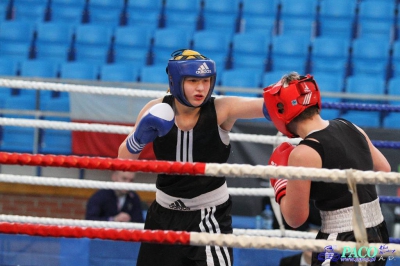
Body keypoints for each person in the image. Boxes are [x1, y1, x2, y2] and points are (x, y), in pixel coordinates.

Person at [118, 49, 266, 266]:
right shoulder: (155, 109)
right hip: (163, 215)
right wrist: (138, 139)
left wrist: (285, 97)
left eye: (206, 80)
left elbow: (268, 107)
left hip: (210, 215)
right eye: (193, 80)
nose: (201, 88)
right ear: (176, 80)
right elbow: (124, 164)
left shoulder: (221, 109)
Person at [264, 72, 391, 265]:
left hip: (341, 239)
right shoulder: (351, 126)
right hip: (378, 233)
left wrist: (280, 182)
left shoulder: (304, 153)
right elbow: (384, 171)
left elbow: (295, 219)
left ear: (280, 109)